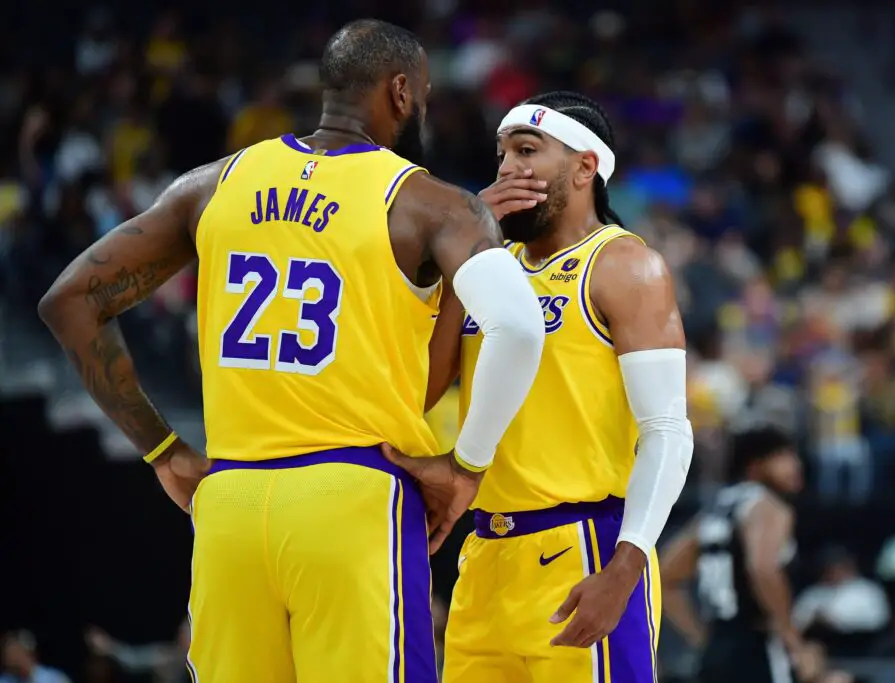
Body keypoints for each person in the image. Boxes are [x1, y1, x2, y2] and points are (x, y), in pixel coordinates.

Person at [37, 19, 546, 683]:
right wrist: (466, 466)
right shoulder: (429, 204)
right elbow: (520, 327)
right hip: (354, 498)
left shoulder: (214, 183)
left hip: (231, 505)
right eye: (421, 94)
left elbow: (68, 300)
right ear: (399, 92)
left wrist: (164, 452)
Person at [395, 91, 693, 681]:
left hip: (584, 550)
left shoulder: (623, 266)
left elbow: (668, 431)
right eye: (502, 153)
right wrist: (463, 244)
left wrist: (625, 570)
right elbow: (420, 391)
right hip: (483, 554)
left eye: (528, 150)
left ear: (586, 167)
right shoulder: (490, 268)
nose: (508, 167)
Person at [660, 426, 807, 683]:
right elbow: (762, 568)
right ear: (755, 464)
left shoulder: (717, 507)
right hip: (757, 646)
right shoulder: (767, 505)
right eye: (784, 457)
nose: (795, 466)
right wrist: (790, 635)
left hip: (717, 649)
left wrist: (702, 638)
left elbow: (664, 576)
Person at [0, 632, 71, 683]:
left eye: (16, 652)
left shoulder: (54, 678)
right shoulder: (5, 680)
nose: (14, 659)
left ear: (28, 652)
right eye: (9, 655)